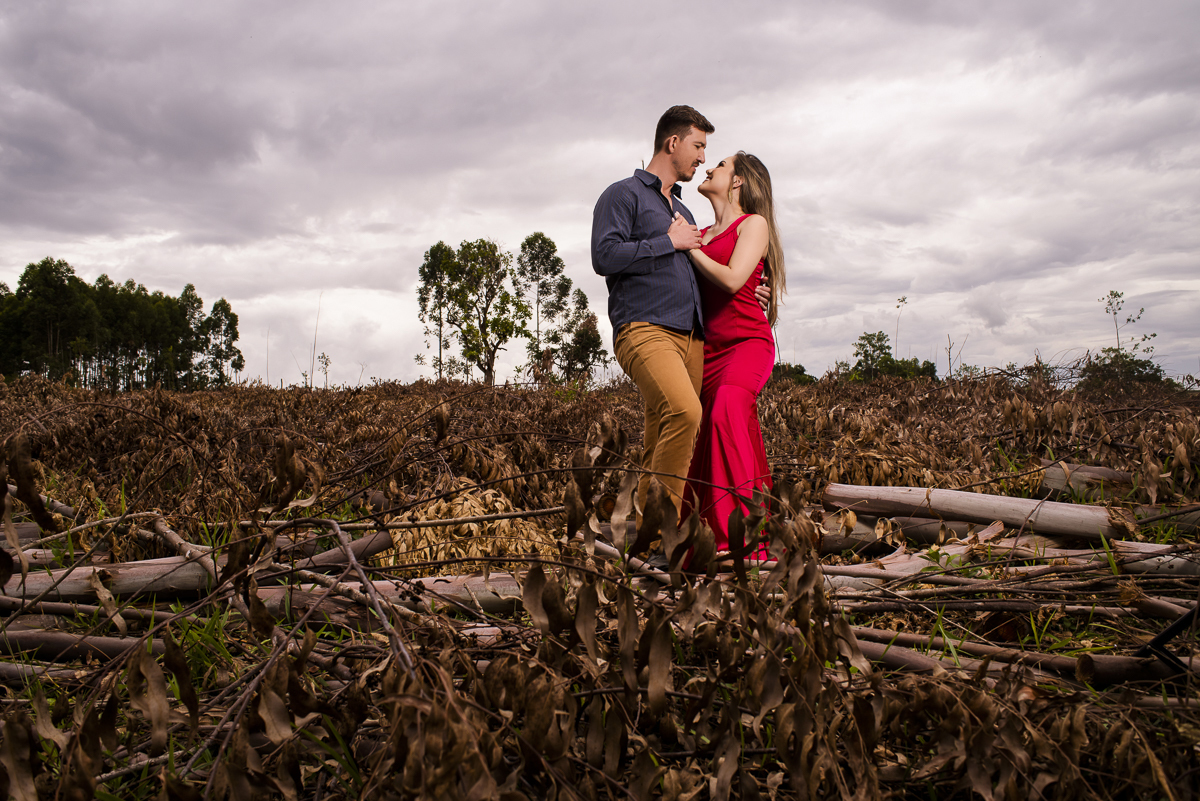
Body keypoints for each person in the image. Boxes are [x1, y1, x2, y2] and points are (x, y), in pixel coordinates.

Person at [591, 105, 713, 521]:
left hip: (691, 336)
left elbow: (698, 272)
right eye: (697, 146)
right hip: (645, 328)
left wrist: (755, 293)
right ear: (672, 142)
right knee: (685, 411)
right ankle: (664, 530)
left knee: (662, 432)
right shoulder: (623, 194)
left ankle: (641, 535)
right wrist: (668, 242)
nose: (702, 157)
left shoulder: (686, 212)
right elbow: (604, 255)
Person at [682, 152, 785, 556]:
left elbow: (731, 280)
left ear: (738, 181)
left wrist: (689, 250)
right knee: (718, 433)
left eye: (720, 165)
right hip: (709, 353)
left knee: (727, 410)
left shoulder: (753, 224)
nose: (708, 168)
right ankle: (708, 539)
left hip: (746, 345)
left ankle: (740, 540)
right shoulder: (701, 233)